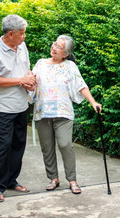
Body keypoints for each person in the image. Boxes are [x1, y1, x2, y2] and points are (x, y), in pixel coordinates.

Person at [30, 35, 102, 194]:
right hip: (43, 112)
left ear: (66, 54)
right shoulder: (41, 63)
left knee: (65, 144)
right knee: (47, 148)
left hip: (63, 113)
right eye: (54, 43)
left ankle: (72, 180)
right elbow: (31, 81)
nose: (54, 47)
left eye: (59, 47)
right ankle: (53, 178)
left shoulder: (70, 66)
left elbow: (81, 85)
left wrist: (93, 102)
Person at [0, 14, 36, 203]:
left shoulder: (22, 47)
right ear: (11, 33)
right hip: (3, 107)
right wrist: (20, 80)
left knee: (18, 146)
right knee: (3, 147)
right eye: (22, 34)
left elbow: (26, 70)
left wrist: (30, 81)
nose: (24, 37)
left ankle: (11, 181)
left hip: (21, 105)